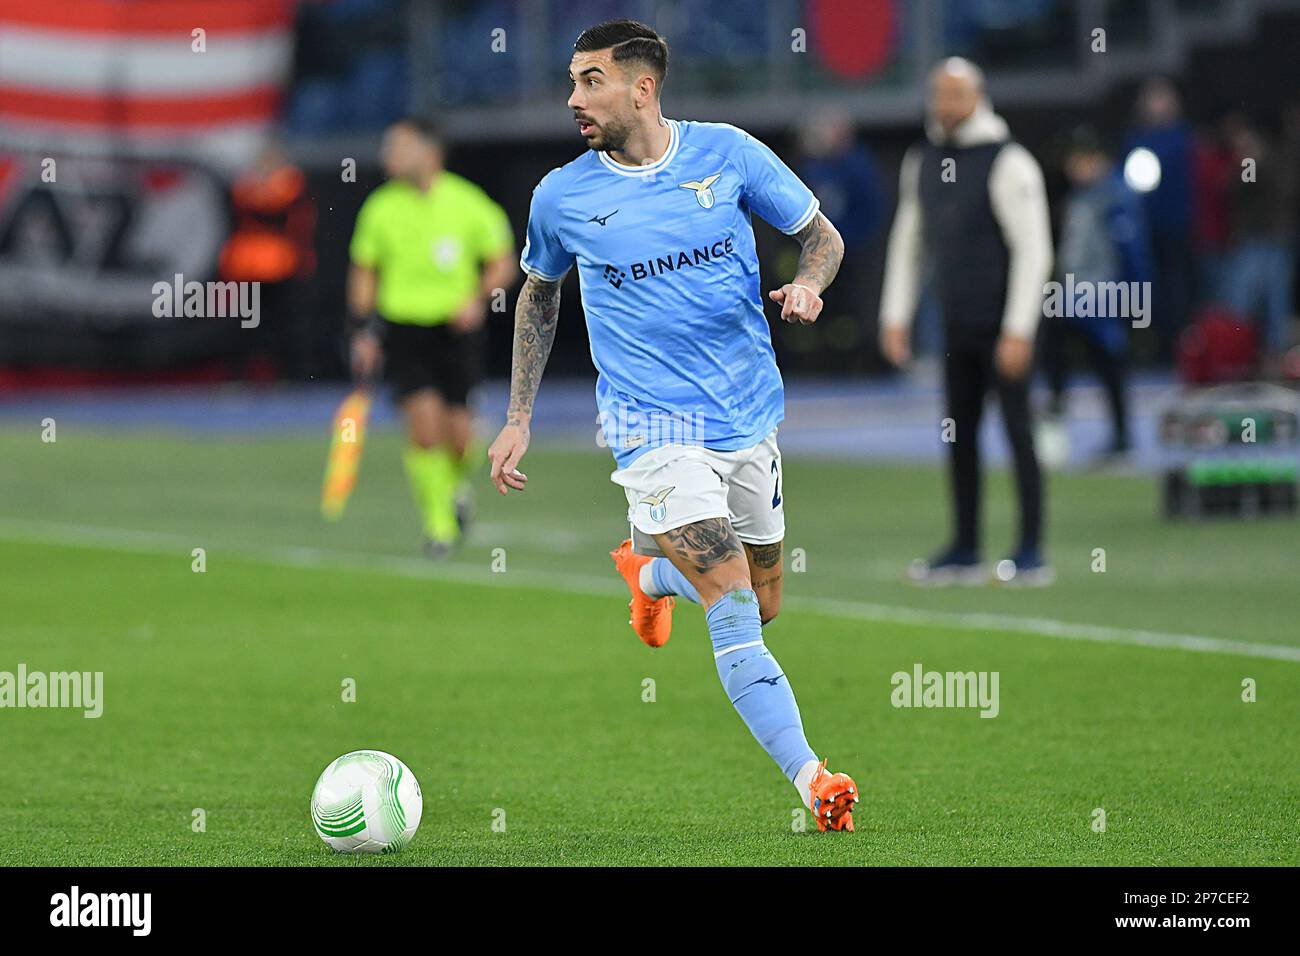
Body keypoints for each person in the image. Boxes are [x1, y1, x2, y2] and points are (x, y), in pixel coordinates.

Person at [486, 20, 858, 831]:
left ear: (642, 88)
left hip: (747, 414)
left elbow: (820, 237)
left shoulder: (727, 154)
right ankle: (813, 779)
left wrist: (808, 286)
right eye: (572, 82)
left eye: (591, 81)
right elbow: (540, 294)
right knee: (728, 601)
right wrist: (518, 416)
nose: (574, 99)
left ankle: (646, 575)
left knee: (763, 605)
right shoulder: (562, 196)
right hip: (651, 429)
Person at [879, 57, 1054, 586]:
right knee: (960, 434)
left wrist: (1019, 328)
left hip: (1004, 325)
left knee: (1020, 434)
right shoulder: (923, 159)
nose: (946, 105)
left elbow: (1034, 251)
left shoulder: (1009, 160)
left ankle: (1030, 550)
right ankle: (965, 547)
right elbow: (909, 241)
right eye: (938, 95)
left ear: (977, 97)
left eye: (956, 95)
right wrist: (895, 315)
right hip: (956, 324)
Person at [348, 117, 517, 556]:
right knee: (424, 427)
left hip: (455, 333)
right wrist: (364, 331)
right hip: (404, 330)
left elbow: (503, 261)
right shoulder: (380, 208)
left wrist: (478, 298)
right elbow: (364, 273)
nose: (390, 157)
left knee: (460, 437)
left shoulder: (466, 202)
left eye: (399, 147)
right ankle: (438, 526)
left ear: (429, 152)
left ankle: (455, 489)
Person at [1039, 126, 1150, 464]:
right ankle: (1057, 419)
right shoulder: (1080, 195)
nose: (1075, 167)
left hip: (1104, 295)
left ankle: (1121, 436)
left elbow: (1131, 254)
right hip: (1075, 291)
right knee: (1055, 347)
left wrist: (1137, 300)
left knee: (1109, 365)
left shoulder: (1115, 196)